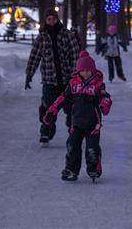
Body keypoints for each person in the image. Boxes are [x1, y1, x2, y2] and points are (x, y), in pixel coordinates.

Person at [42, 51, 112, 182]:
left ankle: (94, 169)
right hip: (76, 122)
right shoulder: (73, 84)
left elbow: (105, 96)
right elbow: (63, 97)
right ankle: (71, 170)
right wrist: (53, 110)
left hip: (93, 124)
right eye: (83, 70)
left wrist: (104, 104)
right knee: (72, 146)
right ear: (78, 71)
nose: (86, 73)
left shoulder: (97, 84)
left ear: (93, 70)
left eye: (88, 70)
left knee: (92, 149)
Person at [25, 8, 79, 147]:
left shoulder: (67, 35)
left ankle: (74, 131)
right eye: (49, 19)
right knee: (48, 108)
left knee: (71, 108)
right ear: (45, 20)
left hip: (67, 79)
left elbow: (75, 54)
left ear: (57, 19)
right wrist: (29, 74)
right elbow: (35, 56)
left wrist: (75, 73)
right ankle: (46, 132)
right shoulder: (42, 37)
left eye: (54, 19)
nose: (52, 21)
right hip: (50, 80)